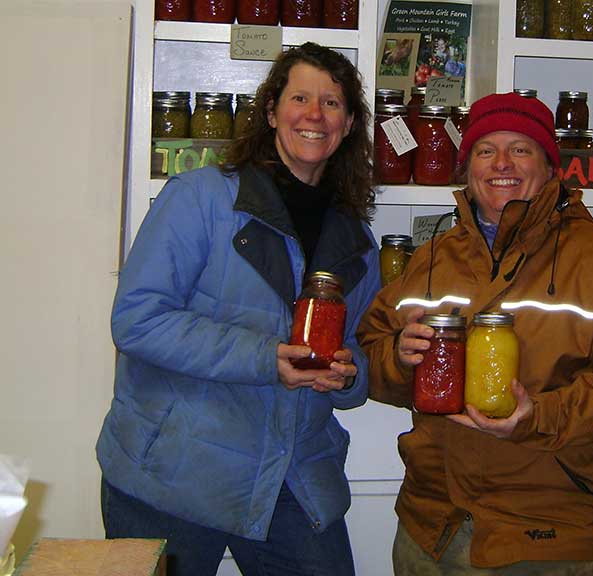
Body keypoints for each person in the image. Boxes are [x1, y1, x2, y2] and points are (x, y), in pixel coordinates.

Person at [357, 92, 593, 575]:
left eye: (521, 149)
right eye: (486, 151)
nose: (501, 163)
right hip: (432, 529)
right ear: (466, 169)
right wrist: (398, 360)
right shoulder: (427, 263)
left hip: (550, 537)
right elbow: (372, 354)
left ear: (551, 168)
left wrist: (538, 416)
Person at [96, 42, 380, 576]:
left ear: (347, 126)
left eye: (332, 103)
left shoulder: (358, 243)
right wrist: (265, 356)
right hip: (174, 471)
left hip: (291, 476)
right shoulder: (200, 198)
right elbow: (137, 318)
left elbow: (360, 358)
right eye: (300, 97)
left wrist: (345, 376)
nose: (315, 114)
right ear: (272, 112)